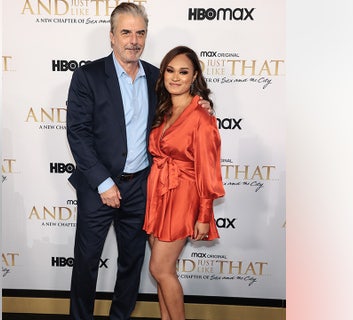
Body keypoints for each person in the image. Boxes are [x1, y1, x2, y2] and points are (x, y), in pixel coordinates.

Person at [65, 4, 212, 320]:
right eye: (126, 32)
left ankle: (120, 317)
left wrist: (203, 106)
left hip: (141, 187)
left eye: (140, 33)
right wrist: (104, 182)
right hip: (98, 187)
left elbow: (182, 110)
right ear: (112, 37)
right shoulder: (88, 76)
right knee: (87, 260)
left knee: (131, 262)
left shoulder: (157, 77)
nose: (134, 40)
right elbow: (77, 133)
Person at [143, 45, 226, 320]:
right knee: (162, 270)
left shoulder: (201, 117)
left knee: (160, 269)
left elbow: (208, 170)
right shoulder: (162, 107)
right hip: (158, 192)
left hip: (182, 195)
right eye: (170, 70)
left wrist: (204, 215)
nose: (175, 77)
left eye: (183, 72)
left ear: (194, 77)